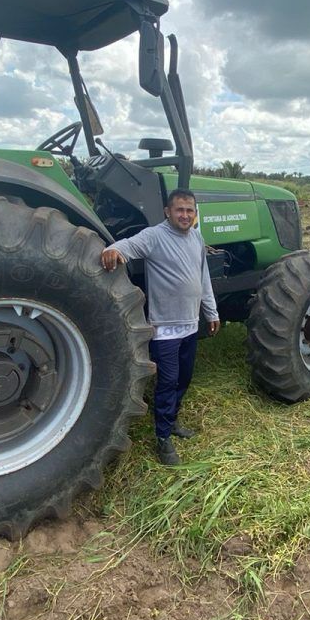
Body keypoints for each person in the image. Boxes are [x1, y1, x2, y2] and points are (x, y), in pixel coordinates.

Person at [102, 189, 220, 466]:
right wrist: (113, 251)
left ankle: (172, 419)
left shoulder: (196, 237)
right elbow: (126, 246)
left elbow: (203, 278)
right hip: (165, 328)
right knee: (167, 382)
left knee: (184, 379)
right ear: (167, 211)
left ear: (195, 213)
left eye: (190, 210)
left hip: (190, 325)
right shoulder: (154, 236)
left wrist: (211, 312)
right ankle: (163, 436)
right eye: (179, 210)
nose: (185, 215)